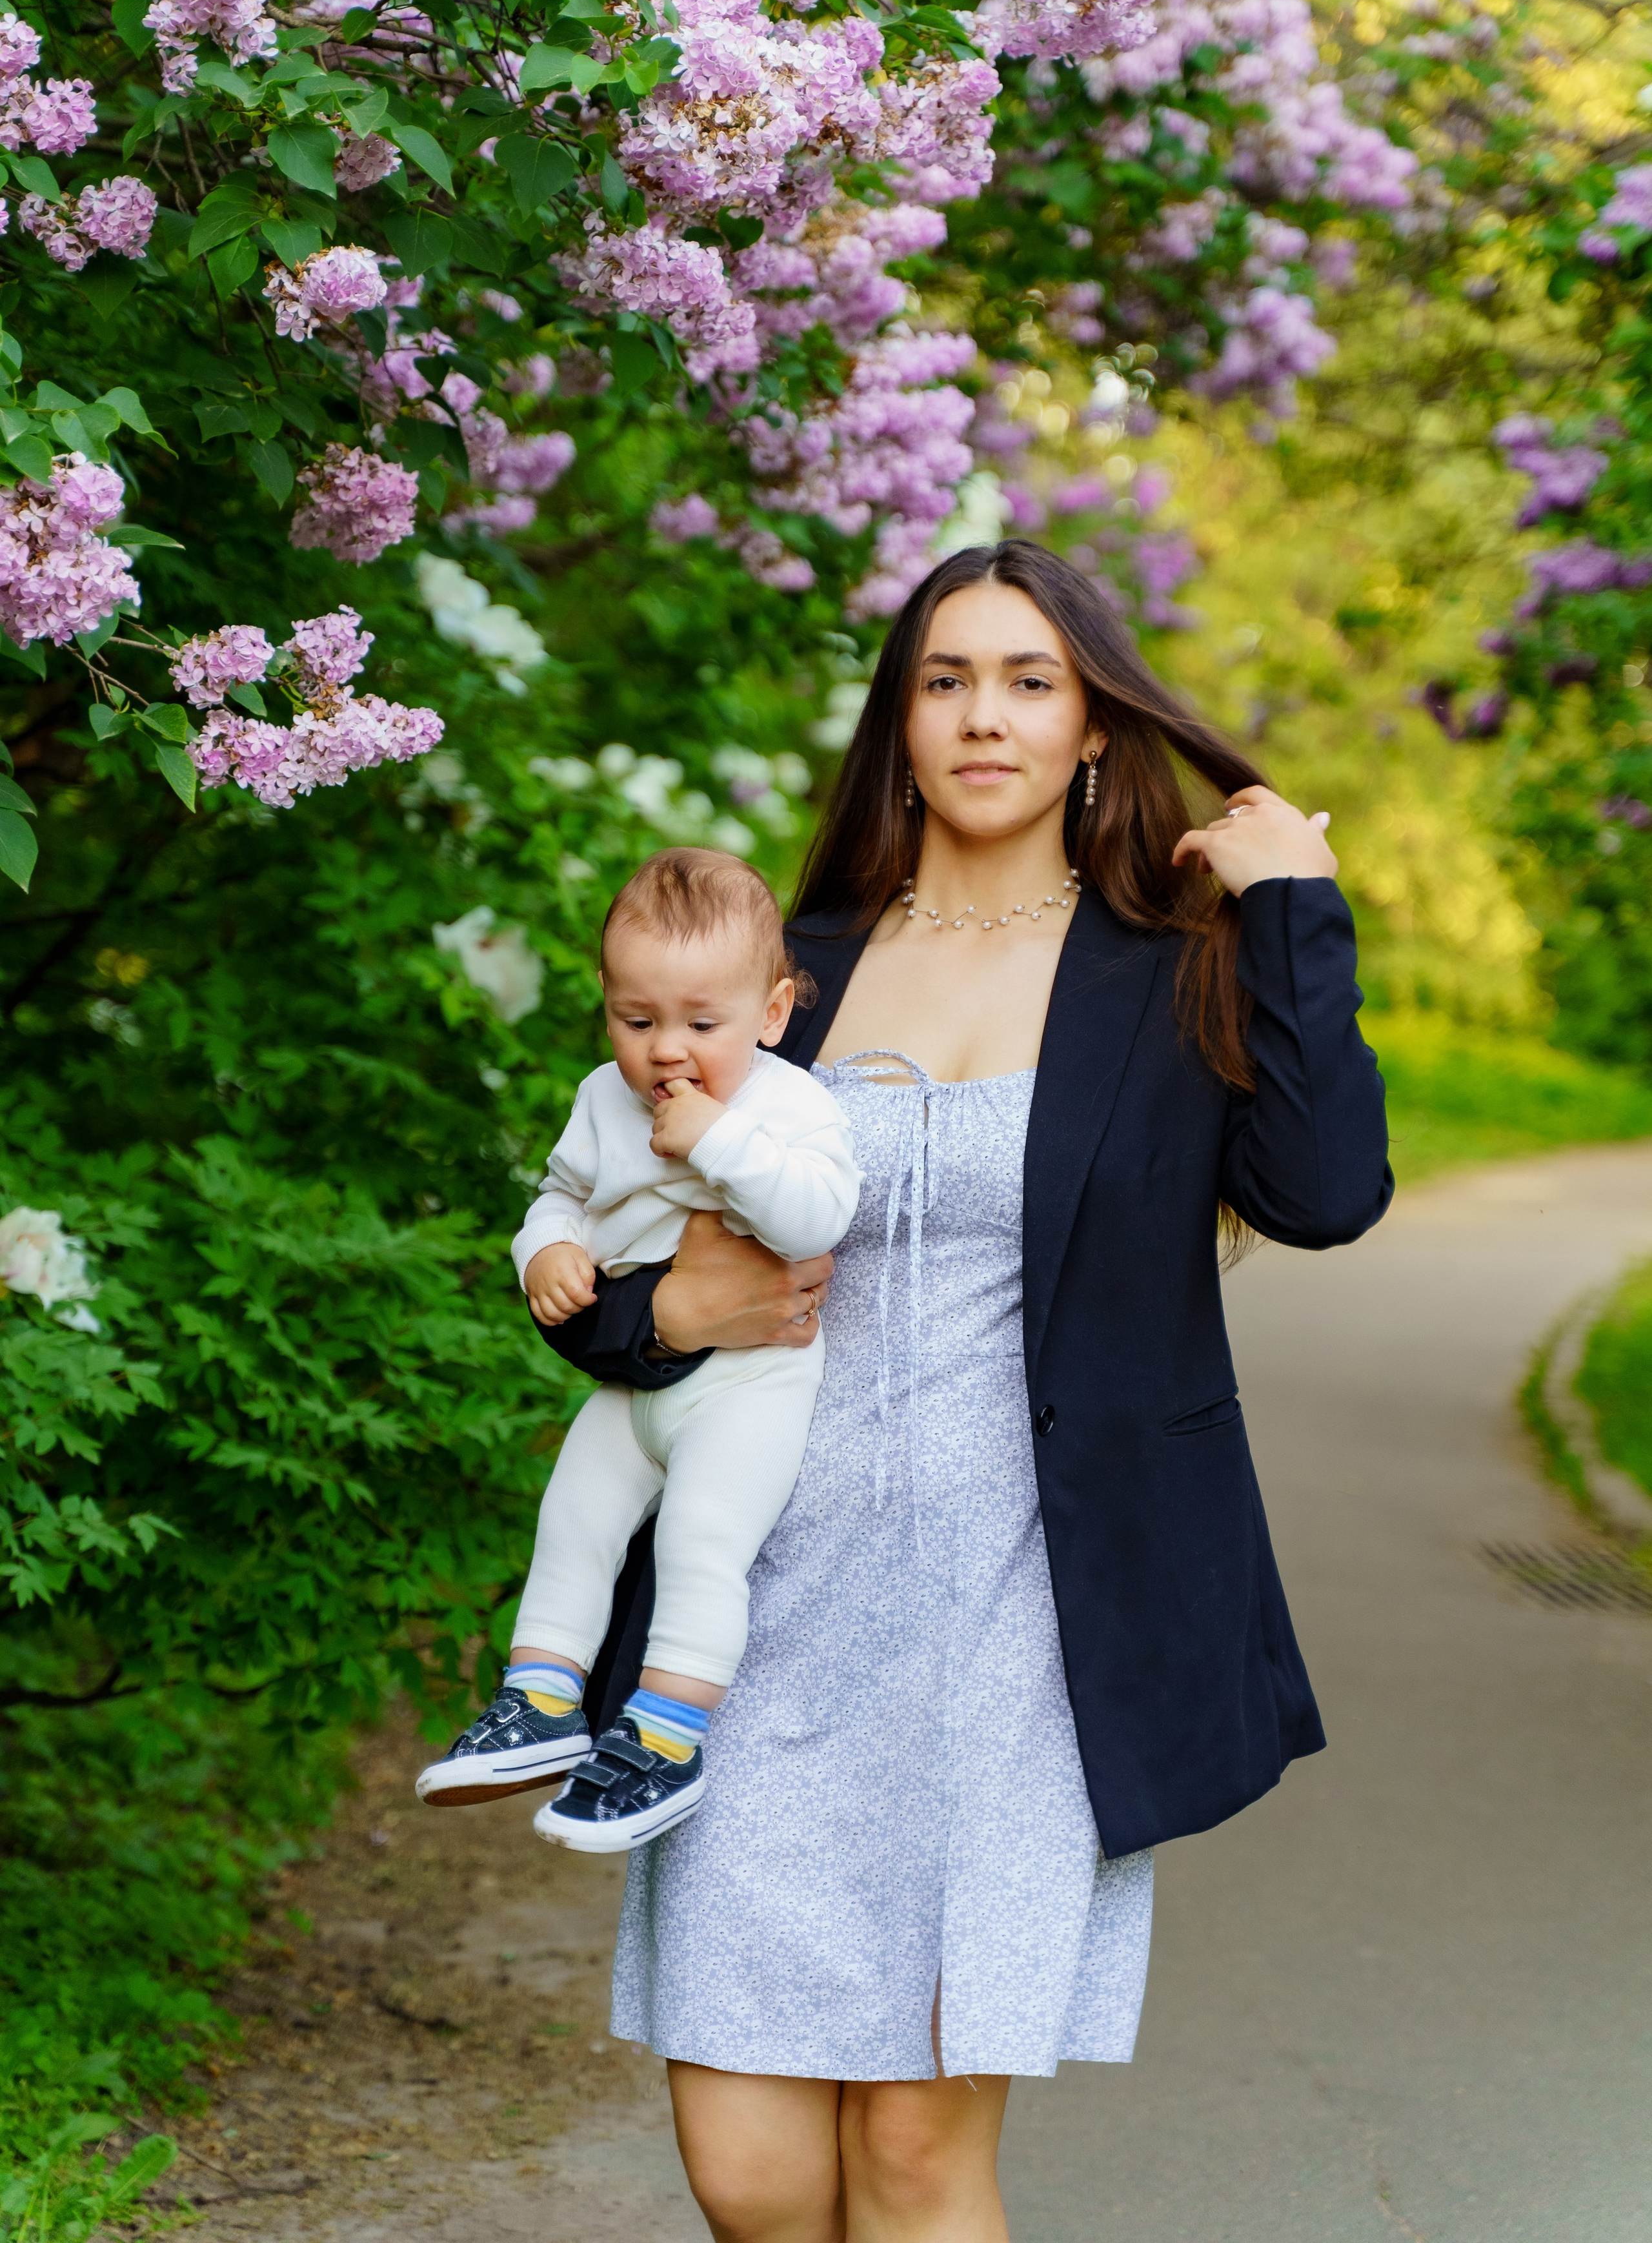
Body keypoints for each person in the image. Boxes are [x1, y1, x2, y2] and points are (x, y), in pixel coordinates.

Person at [539, 539, 1391, 2243]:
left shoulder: (1171, 968)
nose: (982, 717)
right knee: (749, 2177)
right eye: (945, 681)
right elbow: (599, 1225)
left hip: (1023, 1632)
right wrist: (657, 1315)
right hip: (758, 1612)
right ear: (900, 719)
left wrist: (1294, 909)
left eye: (1027, 681)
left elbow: (1322, 1195)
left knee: (917, 2165)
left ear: (1094, 725)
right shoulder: (789, 970)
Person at [414, 849, 860, 1849]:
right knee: (573, 1519)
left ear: (771, 1014)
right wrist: (547, 1251)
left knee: (702, 1540)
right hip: (634, 1387)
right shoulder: (601, 1101)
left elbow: (817, 1216)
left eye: (702, 1025)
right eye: (637, 1020)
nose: (667, 1052)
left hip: (752, 1384)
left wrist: (715, 1139)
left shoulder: (789, 1106)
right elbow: (560, 1195)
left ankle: (665, 1735)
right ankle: (542, 1698)